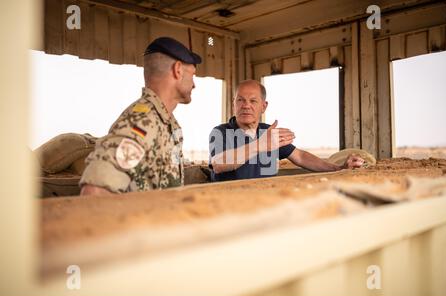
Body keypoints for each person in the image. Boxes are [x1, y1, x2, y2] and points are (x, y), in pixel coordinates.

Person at [79, 37, 201, 195]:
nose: (194, 84)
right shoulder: (142, 122)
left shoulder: (166, 122)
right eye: (193, 75)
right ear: (178, 70)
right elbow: (94, 190)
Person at [209, 80, 364, 182]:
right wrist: (260, 145)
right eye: (240, 100)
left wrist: (339, 169)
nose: (246, 105)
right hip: (229, 204)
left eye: (253, 101)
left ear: (264, 106)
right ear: (233, 104)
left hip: (265, 201)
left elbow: (301, 157)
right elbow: (218, 163)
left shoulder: (269, 132)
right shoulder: (221, 132)